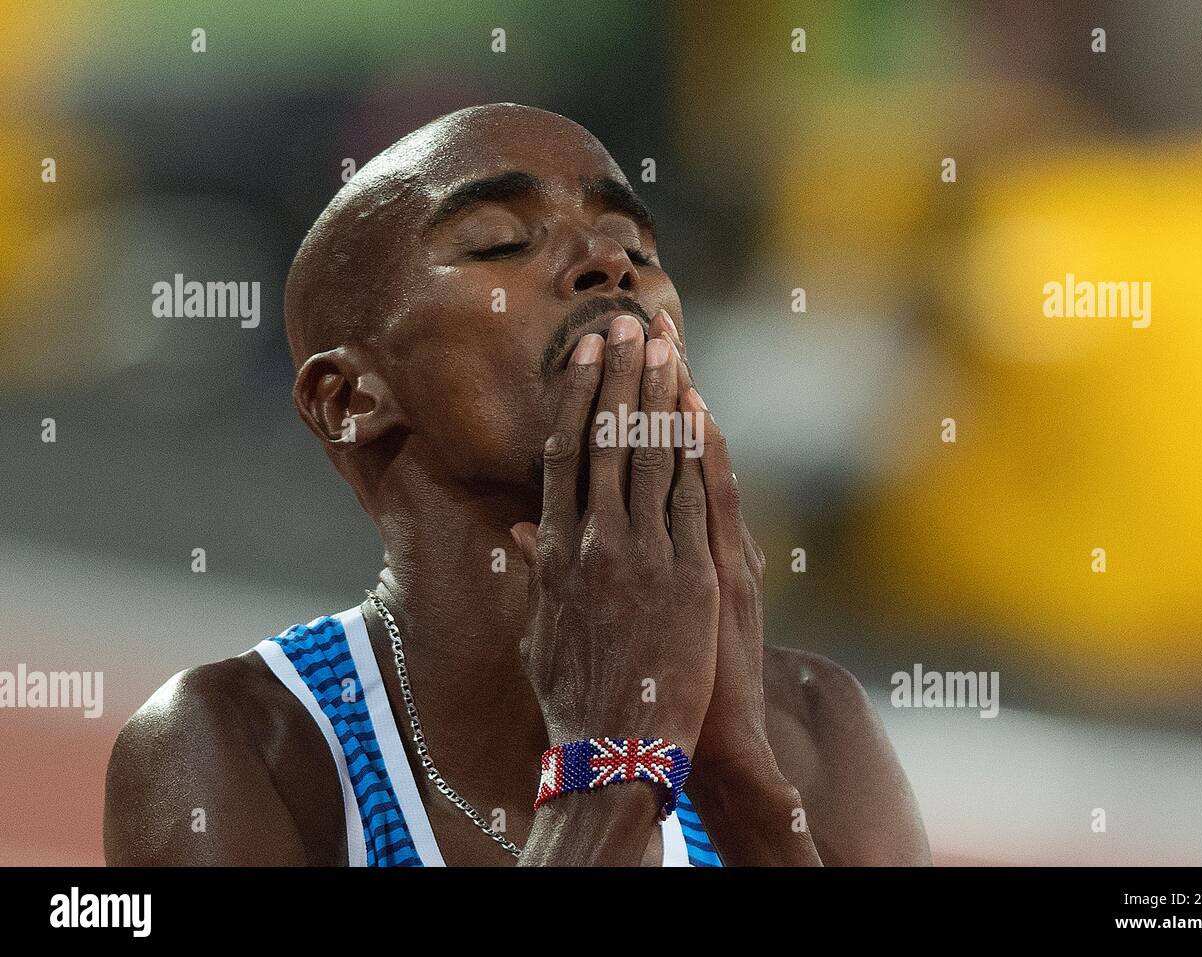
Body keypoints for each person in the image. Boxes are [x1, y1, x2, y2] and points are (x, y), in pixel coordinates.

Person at [103, 103, 930, 867]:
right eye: (500, 241)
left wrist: (739, 779)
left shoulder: (811, 722)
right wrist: (612, 768)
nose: (610, 264)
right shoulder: (238, 748)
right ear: (349, 400)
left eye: (637, 248)